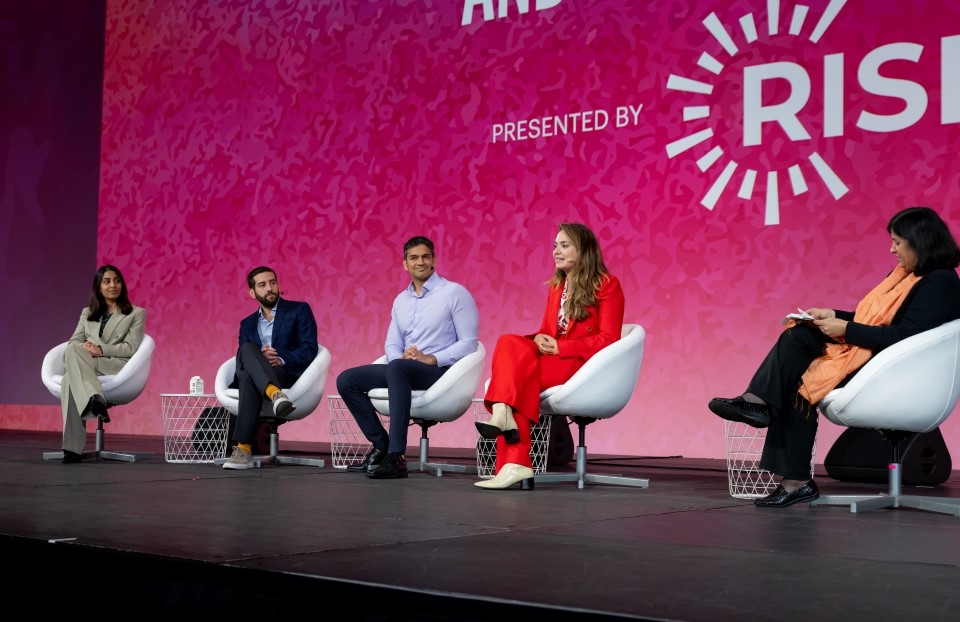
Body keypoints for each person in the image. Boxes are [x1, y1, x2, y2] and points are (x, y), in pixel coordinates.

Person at [709, 206, 960, 508]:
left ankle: (771, 427)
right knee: (799, 335)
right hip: (878, 360)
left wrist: (846, 329)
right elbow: (875, 320)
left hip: (896, 372)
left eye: (898, 241)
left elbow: (904, 336)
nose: (892, 249)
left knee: (797, 384)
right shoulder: (904, 276)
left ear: (920, 241)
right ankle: (781, 450)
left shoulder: (940, 282)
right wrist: (833, 316)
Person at [475, 223, 625, 489]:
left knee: (518, 381)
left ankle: (514, 460)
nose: (556, 251)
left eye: (564, 245)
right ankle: (503, 420)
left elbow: (609, 339)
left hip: (580, 364)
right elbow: (549, 331)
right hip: (554, 356)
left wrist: (561, 348)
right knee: (508, 341)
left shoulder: (607, 285)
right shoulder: (558, 287)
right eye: (555, 245)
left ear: (584, 250)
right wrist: (542, 339)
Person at [336, 236, 480, 479]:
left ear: (434, 260)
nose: (420, 262)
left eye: (426, 257)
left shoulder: (455, 293)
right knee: (347, 380)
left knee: (398, 369)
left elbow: (469, 344)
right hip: (404, 369)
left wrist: (430, 358)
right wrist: (400, 357)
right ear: (405, 264)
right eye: (414, 258)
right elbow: (392, 343)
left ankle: (397, 456)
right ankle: (382, 445)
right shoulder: (400, 300)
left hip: (440, 373)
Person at [222, 266, 318, 469]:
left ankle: (243, 449)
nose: (270, 288)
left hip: (284, 373)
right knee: (247, 351)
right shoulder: (247, 323)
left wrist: (281, 359)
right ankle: (274, 394)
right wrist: (260, 356)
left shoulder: (299, 310)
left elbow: (309, 349)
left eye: (272, 282)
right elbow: (242, 357)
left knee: (249, 376)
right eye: (262, 285)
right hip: (259, 376)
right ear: (252, 292)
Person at [59, 265, 147, 463]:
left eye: (116, 280)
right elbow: (74, 341)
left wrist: (100, 349)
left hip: (115, 366)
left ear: (122, 285)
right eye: (106, 281)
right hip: (89, 364)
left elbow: (130, 348)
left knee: (70, 377)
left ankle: (73, 445)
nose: (112, 285)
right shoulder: (87, 313)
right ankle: (94, 400)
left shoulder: (136, 313)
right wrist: (87, 349)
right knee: (71, 359)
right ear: (99, 287)